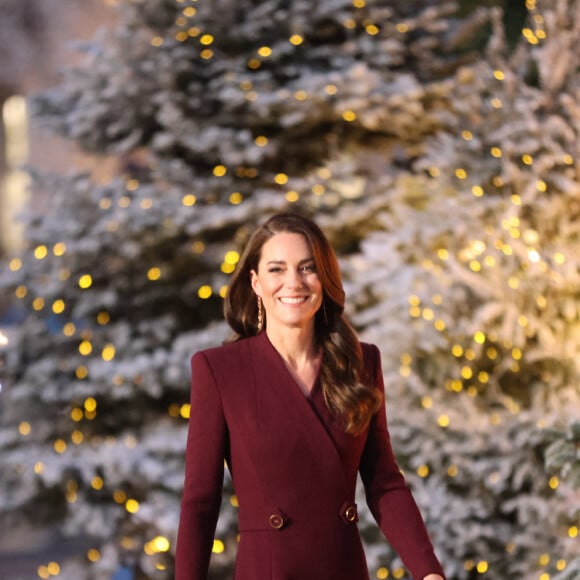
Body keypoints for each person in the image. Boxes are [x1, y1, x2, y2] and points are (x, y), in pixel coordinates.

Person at [175, 213, 445, 580]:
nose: (293, 282)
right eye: (276, 269)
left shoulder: (360, 362)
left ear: (325, 279)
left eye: (307, 268)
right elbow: (200, 503)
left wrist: (428, 572)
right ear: (255, 282)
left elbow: (383, 481)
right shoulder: (219, 371)